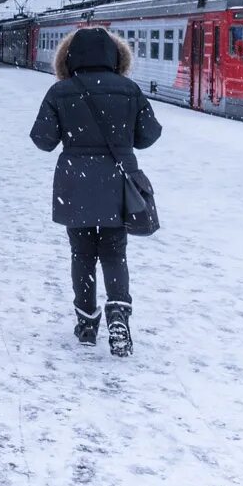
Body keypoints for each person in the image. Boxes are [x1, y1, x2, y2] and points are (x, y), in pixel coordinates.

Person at [30, 27, 161, 357]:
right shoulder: (129, 89)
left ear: (69, 57)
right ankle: (118, 312)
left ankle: (87, 322)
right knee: (115, 252)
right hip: (118, 180)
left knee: (82, 253)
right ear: (115, 56)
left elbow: (42, 140)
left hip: (76, 182)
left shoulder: (61, 91)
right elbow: (148, 136)